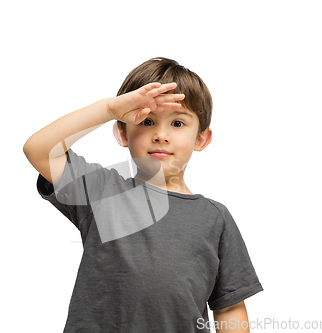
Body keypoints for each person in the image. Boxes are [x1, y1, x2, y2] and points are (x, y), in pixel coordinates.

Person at [23, 57, 263, 332]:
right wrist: (110, 108)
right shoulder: (102, 192)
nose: (161, 134)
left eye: (177, 124)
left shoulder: (215, 218)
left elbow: (229, 306)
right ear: (122, 133)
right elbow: (39, 149)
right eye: (147, 121)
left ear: (201, 139)